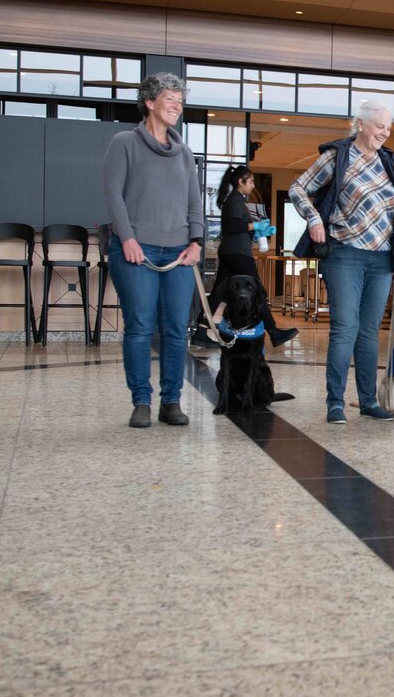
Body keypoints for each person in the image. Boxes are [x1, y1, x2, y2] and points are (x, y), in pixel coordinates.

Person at [289, 101, 394, 424]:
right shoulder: (338, 156)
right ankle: (335, 402)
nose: (385, 133)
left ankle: (368, 401)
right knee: (345, 329)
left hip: (382, 259)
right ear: (361, 124)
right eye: (379, 126)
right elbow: (297, 188)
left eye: (388, 128)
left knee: (370, 332)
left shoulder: (388, 161)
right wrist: (314, 219)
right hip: (344, 253)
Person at [103, 72, 204, 429]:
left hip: (178, 251)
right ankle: (141, 401)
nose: (177, 106)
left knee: (177, 329)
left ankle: (171, 401)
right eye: (170, 100)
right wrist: (127, 238)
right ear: (149, 102)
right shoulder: (124, 142)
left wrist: (196, 242)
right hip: (136, 249)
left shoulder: (184, 152)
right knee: (140, 327)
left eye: (180, 101)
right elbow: (113, 194)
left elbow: (195, 202)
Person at [191, 164, 297, 348]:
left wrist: (256, 232)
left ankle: (200, 332)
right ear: (241, 182)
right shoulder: (235, 200)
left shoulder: (237, 200)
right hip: (238, 253)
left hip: (232, 251)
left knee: (217, 294)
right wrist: (254, 226)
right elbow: (232, 227)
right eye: (251, 181)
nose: (253, 185)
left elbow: (237, 227)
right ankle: (273, 331)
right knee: (256, 290)